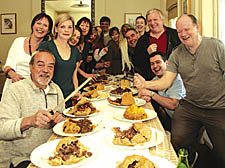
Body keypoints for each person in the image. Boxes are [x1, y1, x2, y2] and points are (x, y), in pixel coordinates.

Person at [134, 14, 225, 167]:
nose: (183, 34)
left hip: (218, 108)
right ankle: (188, 157)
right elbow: (165, 82)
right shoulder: (176, 53)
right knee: (177, 139)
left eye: (186, 29)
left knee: (222, 152)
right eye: (179, 31)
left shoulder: (215, 46)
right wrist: (145, 84)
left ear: (197, 27)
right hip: (190, 106)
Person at [0, 50, 65, 168]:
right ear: (30, 67)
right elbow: (2, 128)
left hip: (51, 154)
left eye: (50, 66)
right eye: (40, 65)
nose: (46, 70)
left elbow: (62, 120)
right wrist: (30, 121)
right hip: (21, 158)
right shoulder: (15, 90)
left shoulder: (56, 89)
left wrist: (60, 120)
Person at [3, 13, 53, 95]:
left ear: (48, 31)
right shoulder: (18, 41)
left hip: (35, 91)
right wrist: (13, 75)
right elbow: (8, 65)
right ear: (33, 25)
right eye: (38, 23)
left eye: (45, 25)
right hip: (14, 86)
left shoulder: (47, 48)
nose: (41, 27)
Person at [38, 13, 82, 107]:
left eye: (70, 27)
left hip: (70, 98)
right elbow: (38, 73)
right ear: (56, 29)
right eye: (62, 26)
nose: (66, 30)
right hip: (50, 99)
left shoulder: (75, 51)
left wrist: (76, 90)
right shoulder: (46, 46)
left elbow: (74, 75)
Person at [138, 51, 185, 131]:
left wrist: (151, 94)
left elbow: (174, 105)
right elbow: (145, 89)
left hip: (184, 123)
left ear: (167, 63)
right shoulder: (157, 79)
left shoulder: (176, 79)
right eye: (152, 64)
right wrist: (145, 94)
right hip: (171, 119)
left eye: (158, 62)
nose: (155, 66)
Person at [134, 8, 181, 80]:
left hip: (173, 80)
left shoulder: (174, 35)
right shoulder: (142, 40)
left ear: (162, 20)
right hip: (151, 82)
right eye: (149, 21)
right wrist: (146, 53)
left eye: (155, 19)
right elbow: (136, 62)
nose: (152, 23)